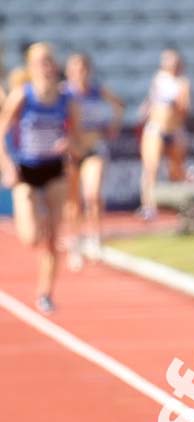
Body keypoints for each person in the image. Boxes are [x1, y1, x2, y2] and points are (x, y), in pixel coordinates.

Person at [0, 43, 82, 313]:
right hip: (27, 170)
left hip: (54, 169)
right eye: (40, 62)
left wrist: (68, 143)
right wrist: (8, 167)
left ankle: (45, 293)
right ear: (31, 67)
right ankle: (39, 215)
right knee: (31, 237)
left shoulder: (65, 99)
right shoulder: (22, 96)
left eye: (49, 62)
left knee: (53, 238)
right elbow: (1, 134)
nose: (47, 67)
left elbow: (77, 138)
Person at [63, 53, 125, 269]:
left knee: (93, 194)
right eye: (75, 68)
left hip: (94, 148)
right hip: (71, 151)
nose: (80, 72)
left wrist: (113, 126)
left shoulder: (97, 91)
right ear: (69, 71)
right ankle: (74, 243)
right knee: (73, 201)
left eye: (83, 68)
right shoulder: (64, 93)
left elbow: (120, 104)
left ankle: (96, 239)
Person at [138, 49, 191, 220]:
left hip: (174, 130)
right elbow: (151, 101)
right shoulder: (159, 79)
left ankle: (180, 206)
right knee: (151, 168)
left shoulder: (183, 83)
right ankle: (148, 206)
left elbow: (184, 109)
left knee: (176, 170)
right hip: (156, 128)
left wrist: (178, 103)